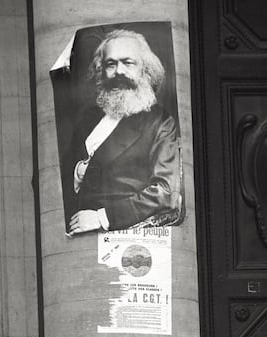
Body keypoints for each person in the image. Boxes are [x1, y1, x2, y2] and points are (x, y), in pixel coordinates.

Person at [65, 29, 182, 235]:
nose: (119, 71)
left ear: (145, 70)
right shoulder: (89, 117)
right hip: (71, 228)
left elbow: (165, 192)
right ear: (101, 71)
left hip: (118, 231)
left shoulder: (160, 122)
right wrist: (77, 173)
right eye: (111, 64)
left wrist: (102, 217)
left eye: (128, 63)